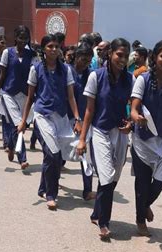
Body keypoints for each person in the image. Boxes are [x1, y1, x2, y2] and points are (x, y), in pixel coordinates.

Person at [76, 38, 133, 239]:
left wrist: (131, 124)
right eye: (119, 54)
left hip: (120, 133)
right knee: (107, 177)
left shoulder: (130, 79)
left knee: (114, 177)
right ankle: (104, 223)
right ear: (109, 54)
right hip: (100, 131)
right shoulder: (96, 77)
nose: (123, 59)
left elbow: (133, 108)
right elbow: (89, 110)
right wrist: (82, 139)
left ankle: (96, 212)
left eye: (126, 56)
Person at [18, 34, 81, 210]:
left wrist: (77, 118)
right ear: (43, 49)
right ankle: (51, 194)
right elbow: (30, 98)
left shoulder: (66, 70)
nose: (54, 50)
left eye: (56, 46)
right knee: (52, 154)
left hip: (60, 117)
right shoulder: (36, 69)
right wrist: (24, 121)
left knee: (55, 156)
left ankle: (43, 187)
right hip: (43, 116)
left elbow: (71, 96)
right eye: (50, 46)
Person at [130, 40, 162, 236]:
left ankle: (144, 206)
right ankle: (140, 219)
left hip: (161, 138)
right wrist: (137, 118)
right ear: (155, 58)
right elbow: (134, 109)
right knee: (143, 183)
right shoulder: (143, 80)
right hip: (142, 139)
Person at [0, 25, 38, 169]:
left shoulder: (32, 55)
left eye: (26, 38)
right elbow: (2, 75)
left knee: (20, 125)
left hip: (24, 95)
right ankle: (22, 158)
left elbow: (36, 77)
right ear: (15, 37)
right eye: (20, 38)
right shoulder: (7, 52)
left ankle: (11, 146)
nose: (23, 41)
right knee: (17, 124)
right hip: (9, 93)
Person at [67, 43, 96, 201]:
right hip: (66, 119)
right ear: (76, 57)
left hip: (84, 120)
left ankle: (87, 190)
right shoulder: (67, 71)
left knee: (86, 154)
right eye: (83, 59)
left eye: (89, 61)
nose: (86, 63)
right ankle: (51, 181)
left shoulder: (91, 75)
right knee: (60, 154)